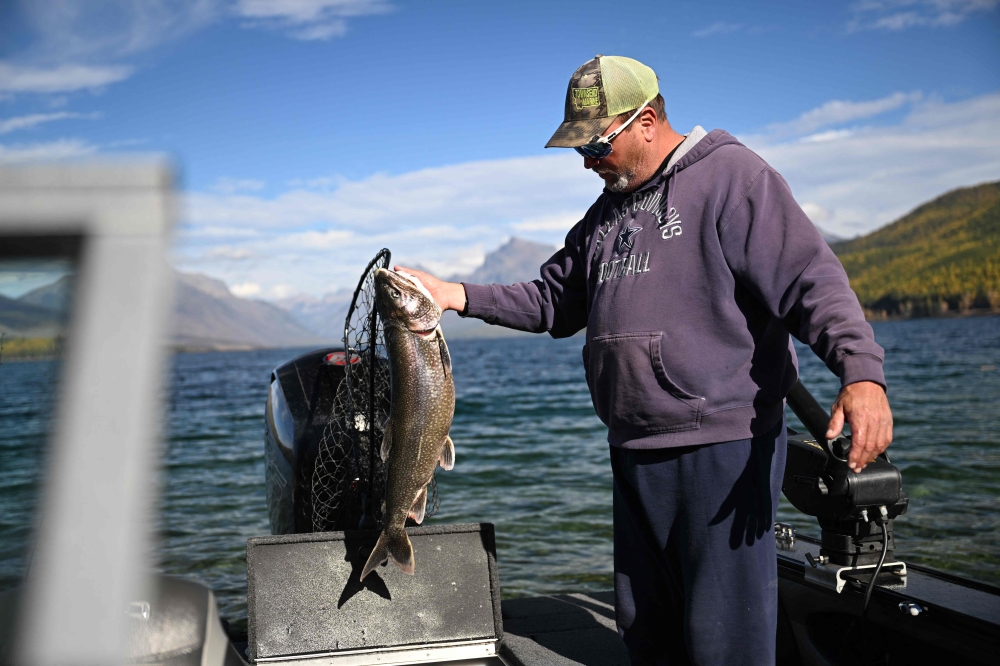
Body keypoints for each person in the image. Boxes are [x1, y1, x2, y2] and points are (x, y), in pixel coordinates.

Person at [398, 55, 893, 665]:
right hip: (633, 449)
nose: (587, 162)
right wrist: (457, 296)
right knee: (648, 631)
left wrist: (861, 373)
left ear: (649, 121)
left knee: (725, 639)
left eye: (597, 144)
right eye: (577, 149)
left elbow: (810, 281)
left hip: (723, 449)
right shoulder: (604, 214)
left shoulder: (734, 178)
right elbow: (553, 300)